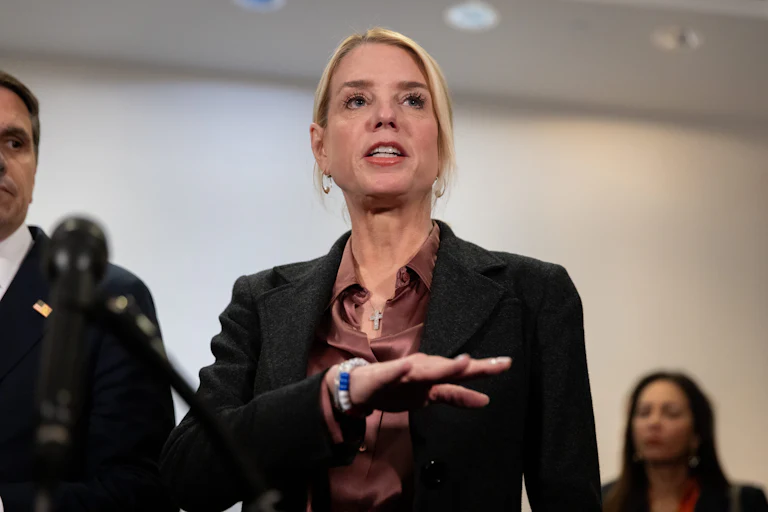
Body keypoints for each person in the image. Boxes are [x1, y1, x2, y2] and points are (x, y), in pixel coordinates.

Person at [161, 27, 601, 512]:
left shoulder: (534, 296)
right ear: (321, 148)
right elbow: (188, 475)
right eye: (356, 101)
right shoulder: (260, 301)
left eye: (413, 100)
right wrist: (335, 395)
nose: (386, 117)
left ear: (442, 145)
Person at [0, 70, 176, 511]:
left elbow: (140, 490)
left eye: (15, 143)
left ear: (34, 169)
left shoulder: (108, 299)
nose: (0, 160)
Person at [602, 371, 768, 512]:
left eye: (671, 413)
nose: (653, 422)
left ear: (697, 432)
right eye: (644, 413)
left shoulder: (744, 502)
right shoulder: (603, 501)